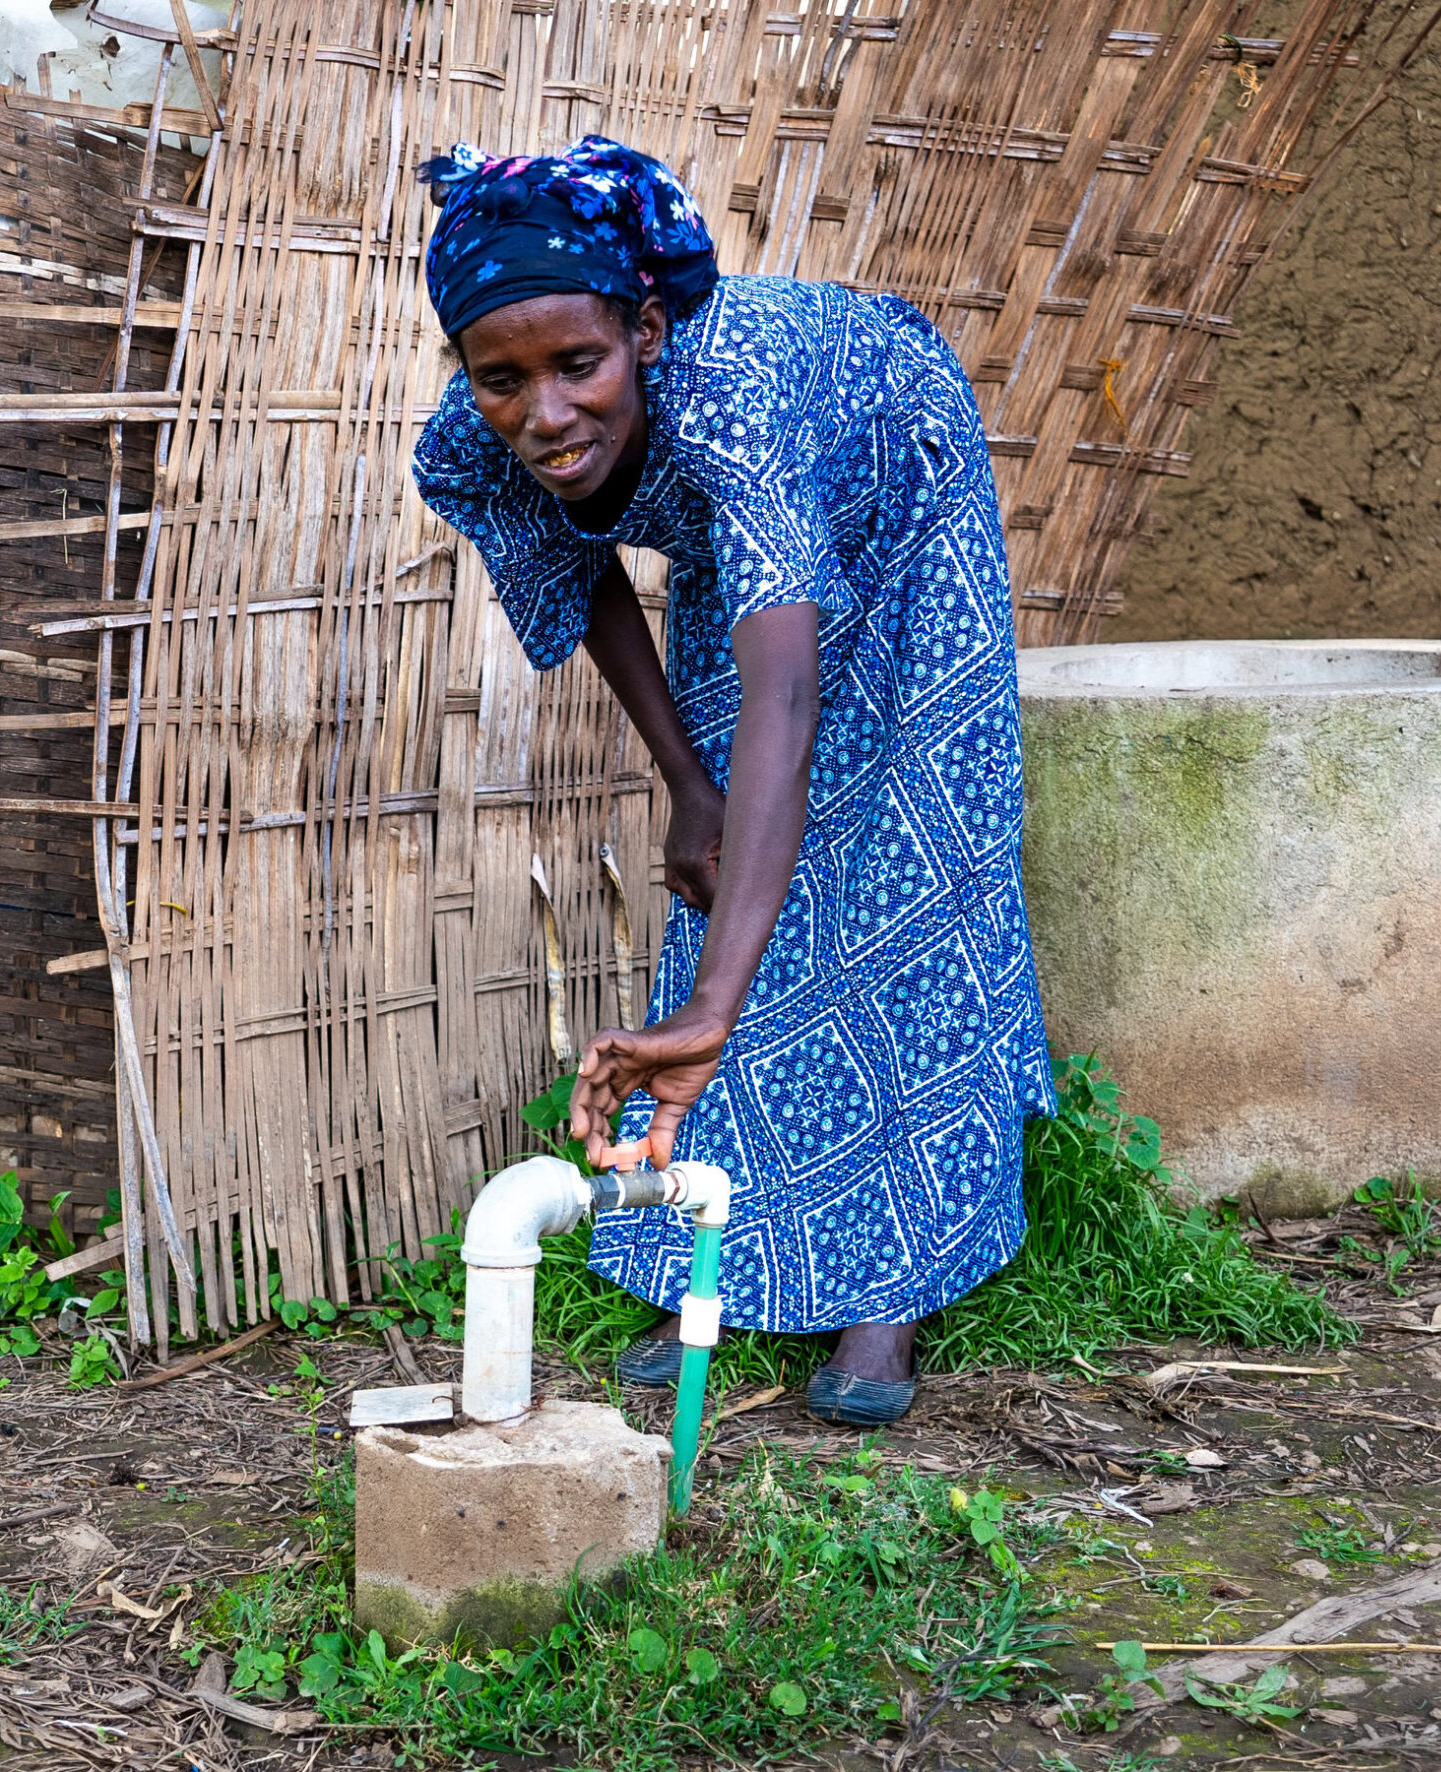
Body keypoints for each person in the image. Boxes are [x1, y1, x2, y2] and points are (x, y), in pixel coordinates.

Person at [408, 137, 1051, 1426]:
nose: (543, 414)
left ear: (644, 330)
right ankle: (718, 1256)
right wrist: (683, 780)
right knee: (732, 854)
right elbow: (575, 577)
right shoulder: (474, 442)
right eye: (503, 379)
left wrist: (713, 1000)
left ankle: (889, 1292)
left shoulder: (738, 400)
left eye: (578, 366)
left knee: (904, 857)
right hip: (738, 518)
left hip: (901, 482)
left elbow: (789, 697)